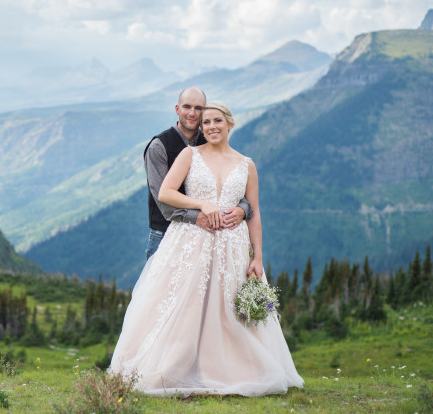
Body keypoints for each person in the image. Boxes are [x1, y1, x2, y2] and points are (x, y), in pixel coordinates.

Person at [110, 101, 303, 397]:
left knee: (227, 311)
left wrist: (258, 257)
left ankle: (229, 369)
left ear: (230, 123)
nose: (211, 127)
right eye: (206, 123)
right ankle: (176, 366)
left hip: (233, 247)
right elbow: (166, 192)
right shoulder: (190, 155)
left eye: (217, 121)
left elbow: (255, 211)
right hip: (190, 240)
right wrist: (201, 203)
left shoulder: (246, 164)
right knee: (184, 306)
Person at [143, 87, 251, 260]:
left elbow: (232, 185)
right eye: (187, 107)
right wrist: (197, 217)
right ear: (177, 109)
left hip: (204, 238)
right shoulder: (159, 146)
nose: (192, 113)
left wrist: (243, 209)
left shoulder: (210, 140)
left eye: (199, 108)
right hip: (164, 235)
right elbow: (163, 202)